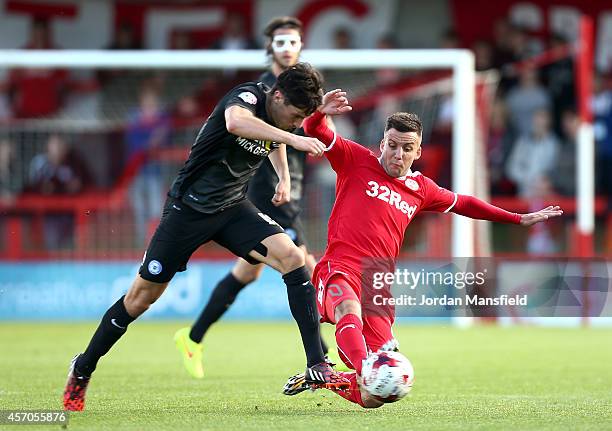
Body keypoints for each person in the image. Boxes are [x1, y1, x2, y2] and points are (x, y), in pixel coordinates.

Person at [62, 63, 350, 411]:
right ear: (277, 95)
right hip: (189, 210)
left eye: (301, 118)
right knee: (139, 300)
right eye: (295, 114)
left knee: (292, 257)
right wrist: (295, 137)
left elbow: (277, 133)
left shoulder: (280, 117)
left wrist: (285, 178)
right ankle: (83, 367)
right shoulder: (247, 97)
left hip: (232, 208)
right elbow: (237, 123)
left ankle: (316, 363)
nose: (295, 123)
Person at [282, 89, 563, 408]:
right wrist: (320, 112)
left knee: (374, 397)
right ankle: (361, 369)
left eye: (406, 148)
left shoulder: (422, 189)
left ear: (417, 152)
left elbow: (466, 204)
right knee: (350, 315)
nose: (397, 154)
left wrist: (518, 218)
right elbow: (316, 131)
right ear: (382, 144)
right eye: (392, 146)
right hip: (340, 266)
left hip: (377, 284)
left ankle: (322, 377)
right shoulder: (356, 160)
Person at [174, 16, 331, 379]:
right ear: (270, 48)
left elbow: (305, 131)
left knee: (249, 272)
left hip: (285, 185)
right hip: (260, 187)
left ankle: (193, 338)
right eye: (280, 42)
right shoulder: (263, 91)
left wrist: (323, 117)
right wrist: (281, 178)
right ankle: (325, 357)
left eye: (293, 42)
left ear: (301, 46)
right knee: (301, 263)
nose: (287, 48)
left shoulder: (306, 91)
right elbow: (262, 134)